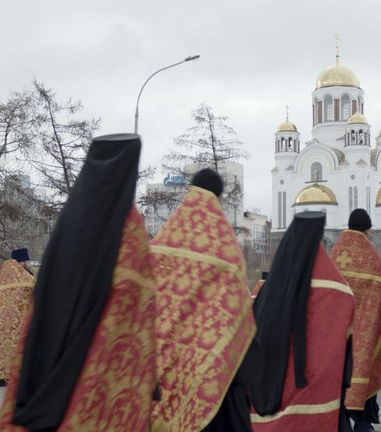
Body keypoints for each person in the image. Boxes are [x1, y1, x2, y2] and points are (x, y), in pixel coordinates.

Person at [0, 134, 157, 431]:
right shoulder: (129, 230)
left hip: (46, 364)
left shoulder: (70, 220)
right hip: (99, 376)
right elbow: (137, 307)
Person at [150, 169, 257, 431]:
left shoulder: (161, 244)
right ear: (218, 198)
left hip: (157, 365)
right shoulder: (227, 254)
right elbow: (238, 318)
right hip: (207, 375)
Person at [246, 212, 355, 431]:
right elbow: (347, 349)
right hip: (317, 400)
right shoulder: (339, 291)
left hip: (270, 397)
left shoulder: (267, 290)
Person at [330, 209, 381, 431]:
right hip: (365, 334)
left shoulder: (334, 256)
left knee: (337, 375)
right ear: (368, 229)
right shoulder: (373, 261)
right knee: (366, 369)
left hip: (336, 332)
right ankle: (363, 422)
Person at [0, 251, 35, 387]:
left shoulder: (2, 277)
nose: (29, 264)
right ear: (22, 262)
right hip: (19, 325)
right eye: (28, 262)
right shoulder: (28, 279)